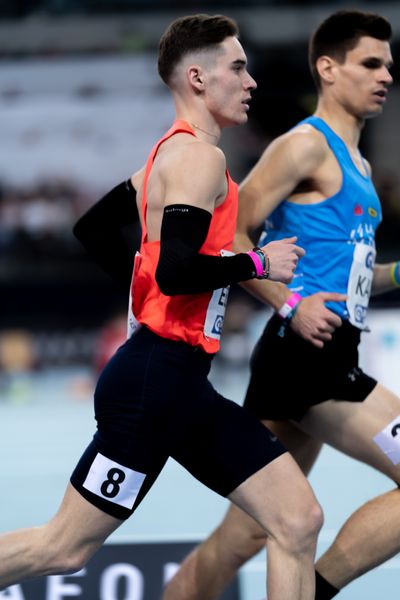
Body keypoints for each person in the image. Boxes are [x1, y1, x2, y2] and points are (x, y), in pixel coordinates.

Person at [0, 15, 323, 600]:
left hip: (180, 385)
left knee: (297, 520)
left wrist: (141, 285)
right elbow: (175, 273)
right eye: (238, 67)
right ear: (197, 78)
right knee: (63, 548)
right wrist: (259, 264)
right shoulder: (197, 160)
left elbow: (93, 228)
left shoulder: (163, 159)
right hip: (153, 386)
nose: (251, 81)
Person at [163, 9, 400, 600]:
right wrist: (291, 303)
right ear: (328, 68)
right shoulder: (302, 147)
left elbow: (355, 279)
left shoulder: (360, 166)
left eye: (390, 66)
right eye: (370, 63)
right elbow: (233, 236)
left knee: (244, 535)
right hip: (307, 359)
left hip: (314, 354)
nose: (385, 76)